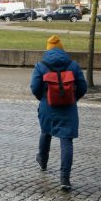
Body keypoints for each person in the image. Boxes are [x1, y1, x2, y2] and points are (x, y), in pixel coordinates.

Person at [30, 35, 87, 191]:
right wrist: (73, 98)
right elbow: (83, 87)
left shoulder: (40, 65)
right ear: (62, 48)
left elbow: (34, 87)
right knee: (66, 140)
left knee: (46, 132)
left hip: (47, 107)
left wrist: (43, 99)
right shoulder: (73, 65)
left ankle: (42, 160)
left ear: (47, 49)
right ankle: (64, 178)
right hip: (68, 108)